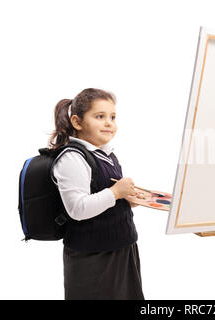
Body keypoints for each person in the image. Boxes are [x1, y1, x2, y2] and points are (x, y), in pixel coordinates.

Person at [48, 88, 144, 300]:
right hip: (93, 258)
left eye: (112, 117)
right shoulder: (72, 158)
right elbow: (78, 209)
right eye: (100, 116)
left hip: (122, 248)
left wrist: (126, 201)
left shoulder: (107, 155)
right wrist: (115, 192)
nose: (109, 122)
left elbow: (104, 198)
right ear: (77, 122)